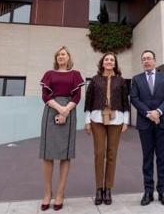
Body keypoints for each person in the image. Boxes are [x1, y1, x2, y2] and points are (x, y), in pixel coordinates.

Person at [39, 46, 84, 211]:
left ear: (68, 57)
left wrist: (66, 109)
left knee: (65, 155)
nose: (60, 56)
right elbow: (45, 95)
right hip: (51, 109)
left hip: (69, 110)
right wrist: (59, 108)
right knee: (47, 154)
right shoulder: (49, 74)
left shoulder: (75, 74)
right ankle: (47, 193)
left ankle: (60, 193)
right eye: (58, 54)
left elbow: (77, 95)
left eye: (63, 54)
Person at [84, 52, 130, 206]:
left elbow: (125, 101)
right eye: (106, 59)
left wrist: (126, 121)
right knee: (99, 154)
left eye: (112, 60)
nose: (109, 61)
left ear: (115, 63)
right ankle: (98, 188)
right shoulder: (95, 80)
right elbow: (88, 101)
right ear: (102, 63)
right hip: (97, 118)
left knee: (112, 154)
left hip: (116, 119)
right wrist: (87, 121)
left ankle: (108, 189)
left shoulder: (121, 81)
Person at [130, 49, 164, 206]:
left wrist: (158, 112)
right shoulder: (136, 79)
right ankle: (148, 191)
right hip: (145, 123)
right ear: (142, 63)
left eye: (149, 58)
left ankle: (162, 190)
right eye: (143, 59)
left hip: (162, 123)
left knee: (162, 158)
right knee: (147, 158)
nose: (146, 61)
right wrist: (149, 114)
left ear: (154, 61)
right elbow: (134, 99)